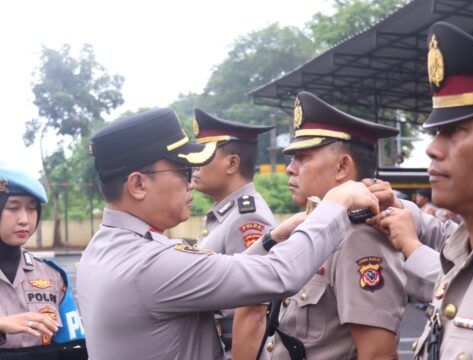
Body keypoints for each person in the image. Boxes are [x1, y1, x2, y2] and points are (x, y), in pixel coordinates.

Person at [76, 107, 380, 360]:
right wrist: (335, 204)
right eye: (182, 172)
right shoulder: (149, 263)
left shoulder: (103, 249)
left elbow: (214, 279)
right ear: (138, 185)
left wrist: (271, 239)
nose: (191, 183)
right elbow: (278, 275)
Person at [258, 91, 407, 360]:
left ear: (341, 167)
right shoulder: (314, 231)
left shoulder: (357, 238)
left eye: (302, 157)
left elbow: (378, 356)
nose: (290, 168)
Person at [372, 21, 473, 360]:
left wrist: (409, 243)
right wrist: (404, 214)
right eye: (436, 132)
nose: (432, 149)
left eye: (454, 131)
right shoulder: (464, 250)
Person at [192, 108, 276, 359]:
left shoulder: (247, 218)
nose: (194, 164)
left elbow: (253, 309)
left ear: (232, 163)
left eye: (204, 156)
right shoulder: (227, 214)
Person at [0, 163, 86, 359]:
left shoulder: (52, 276)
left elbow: (73, 348)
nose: (24, 219)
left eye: (32, 208)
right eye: (13, 207)